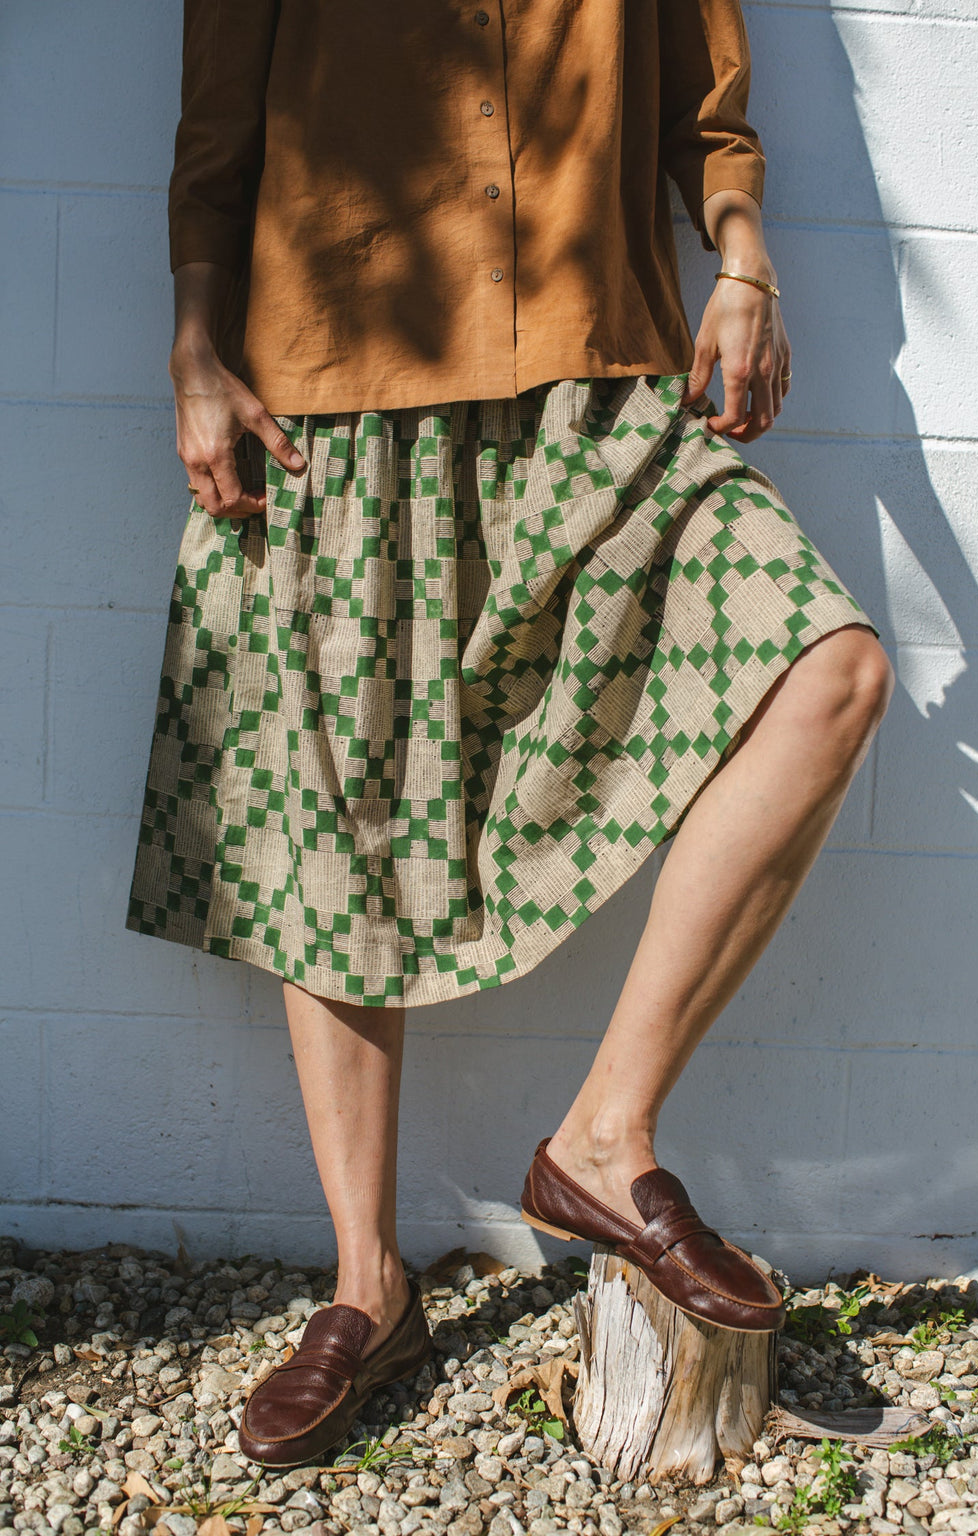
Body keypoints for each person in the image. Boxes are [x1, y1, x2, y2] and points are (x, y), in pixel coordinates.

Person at [126, 0, 893, 1468]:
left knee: (831, 673)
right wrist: (195, 350)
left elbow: (705, 105)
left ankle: (607, 1136)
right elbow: (216, 132)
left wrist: (744, 262)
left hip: (593, 381)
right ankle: (369, 1284)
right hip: (339, 387)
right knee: (339, 844)